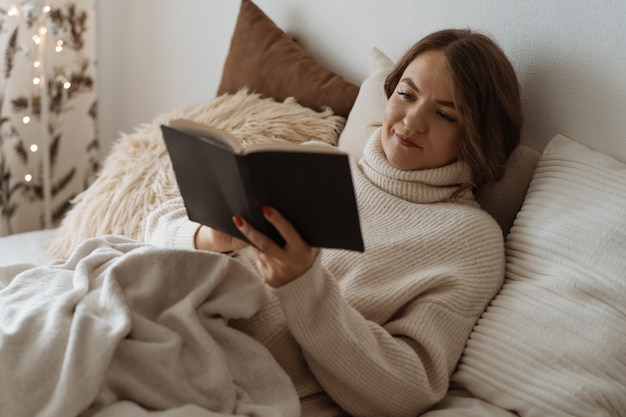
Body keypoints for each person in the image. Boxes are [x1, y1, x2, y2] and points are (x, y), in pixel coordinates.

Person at [145, 28, 522, 417]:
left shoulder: (470, 240)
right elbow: (155, 225)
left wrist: (303, 285)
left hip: (222, 370)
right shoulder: (316, 163)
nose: (412, 120)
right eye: (406, 95)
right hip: (161, 311)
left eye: (444, 114)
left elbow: (411, 387)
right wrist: (208, 236)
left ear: (478, 137)